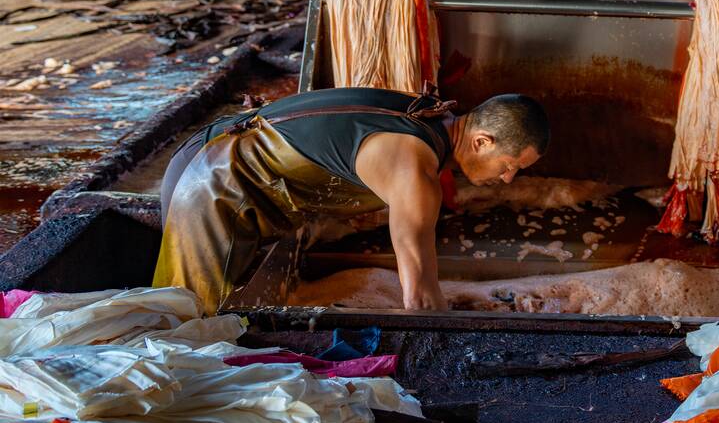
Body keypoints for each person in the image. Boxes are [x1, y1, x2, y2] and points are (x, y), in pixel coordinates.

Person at [153, 86, 549, 312]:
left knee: (207, 329)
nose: (508, 178)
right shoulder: (414, 170)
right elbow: (420, 296)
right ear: (482, 142)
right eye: (510, 165)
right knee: (189, 329)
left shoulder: (431, 117)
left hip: (217, 163)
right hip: (212, 183)